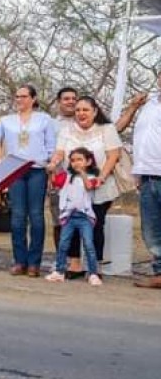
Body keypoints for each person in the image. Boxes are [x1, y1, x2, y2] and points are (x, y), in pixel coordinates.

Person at [0, 85, 56, 277]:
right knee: (17, 217)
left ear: (33, 99)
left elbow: (51, 145)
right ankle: (19, 261)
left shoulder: (44, 119)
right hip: (14, 171)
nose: (20, 100)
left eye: (24, 96)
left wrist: (50, 165)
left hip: (37, 170)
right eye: (17, 97)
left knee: (36, 216)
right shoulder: (7, 121)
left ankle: (34, 263)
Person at [48, 96, 121, 277]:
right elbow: (59, 153)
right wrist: (53, 163)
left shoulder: (107, 128)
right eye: (78, 110)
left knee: (95, 225)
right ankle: (74, 265)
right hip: (73, 187)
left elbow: (113, 155)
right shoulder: (66, 130)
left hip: (100, 186)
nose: (81, 113)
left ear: (95, 111)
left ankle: (95, 267)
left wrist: (101, 178)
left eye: (85, 110)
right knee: (70, 222)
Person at [45, 147, 103, 286]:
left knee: (88, 244)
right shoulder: (66, 176)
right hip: (69, 216)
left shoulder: (92, 177)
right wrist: (52, 171)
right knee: (64, 243)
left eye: (79, 160)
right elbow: (55, 183)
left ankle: (93, 273)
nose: (75, 163)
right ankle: (59, 271)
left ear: (88, 161)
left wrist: (82, 173)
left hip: (85, 216)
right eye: (72, 160)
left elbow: (89, 187)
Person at [131, 73, 161, 289]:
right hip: (147, 174)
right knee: (152, 229)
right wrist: (138, 172)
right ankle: (159, 273)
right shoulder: (149, 104)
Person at [49, 87, 78, 257]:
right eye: (66, 99)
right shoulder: (51, 124)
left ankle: (78, 261)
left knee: (82, 221)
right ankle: (62, 260)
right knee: (59, 220)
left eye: (74, 98)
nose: (71, 102)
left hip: (82, 180)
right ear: (59, 102)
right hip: (59, 179)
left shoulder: (85, 121)